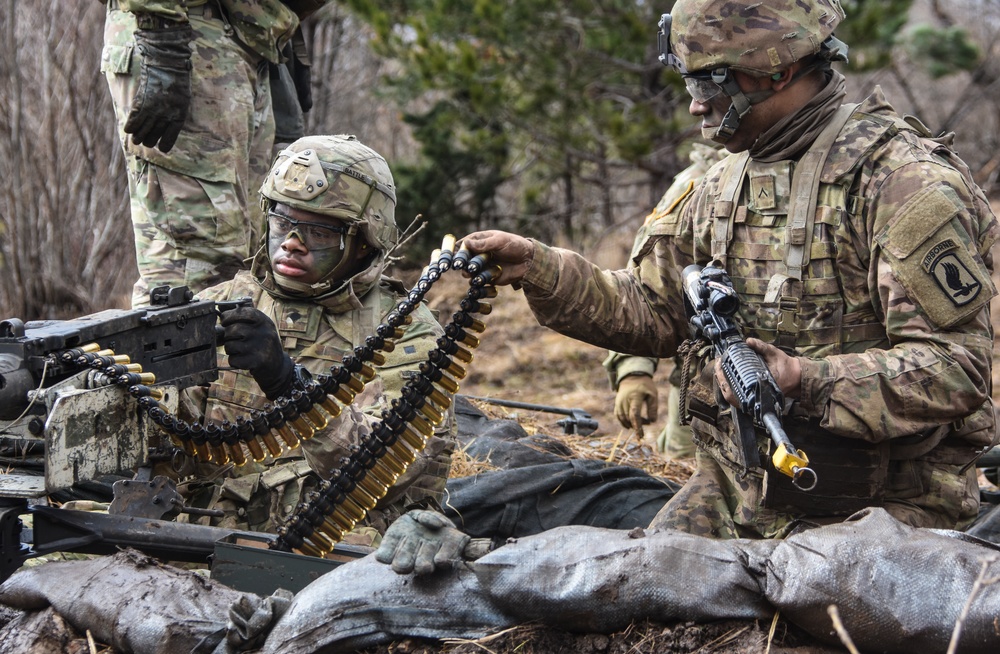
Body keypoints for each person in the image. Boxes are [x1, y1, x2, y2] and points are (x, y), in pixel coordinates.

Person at [450, 0, 999, 542]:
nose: (694, 107)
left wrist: (803, 381)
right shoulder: (720, 185)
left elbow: (958, 369)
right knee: (634, 590)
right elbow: (654, 311)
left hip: (888, 508)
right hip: (740, 494)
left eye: (706, 85)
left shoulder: (902, 185)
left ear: (776, 72)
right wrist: (538, 266)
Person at [172, 134, 455, 546]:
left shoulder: (405, 330)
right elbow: (172, 444)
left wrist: (291, 387)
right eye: (282, 222)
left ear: (364, 243)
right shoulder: (221, 303)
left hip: (335, 547)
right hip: (206, 536)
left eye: (318, 233)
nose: (291, 242)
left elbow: (390, 470)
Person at [100, 0, 325, 307]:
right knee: (198, 267)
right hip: (182, 33)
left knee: (249, 259)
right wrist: (163, 39)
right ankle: (184, 354)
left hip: (245, 41)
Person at [605, 143, 725, 457]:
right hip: (704, 387)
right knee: (683, 478)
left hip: (810, 394)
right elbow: (644, 289)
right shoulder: (697, 185)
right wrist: (634, 369)